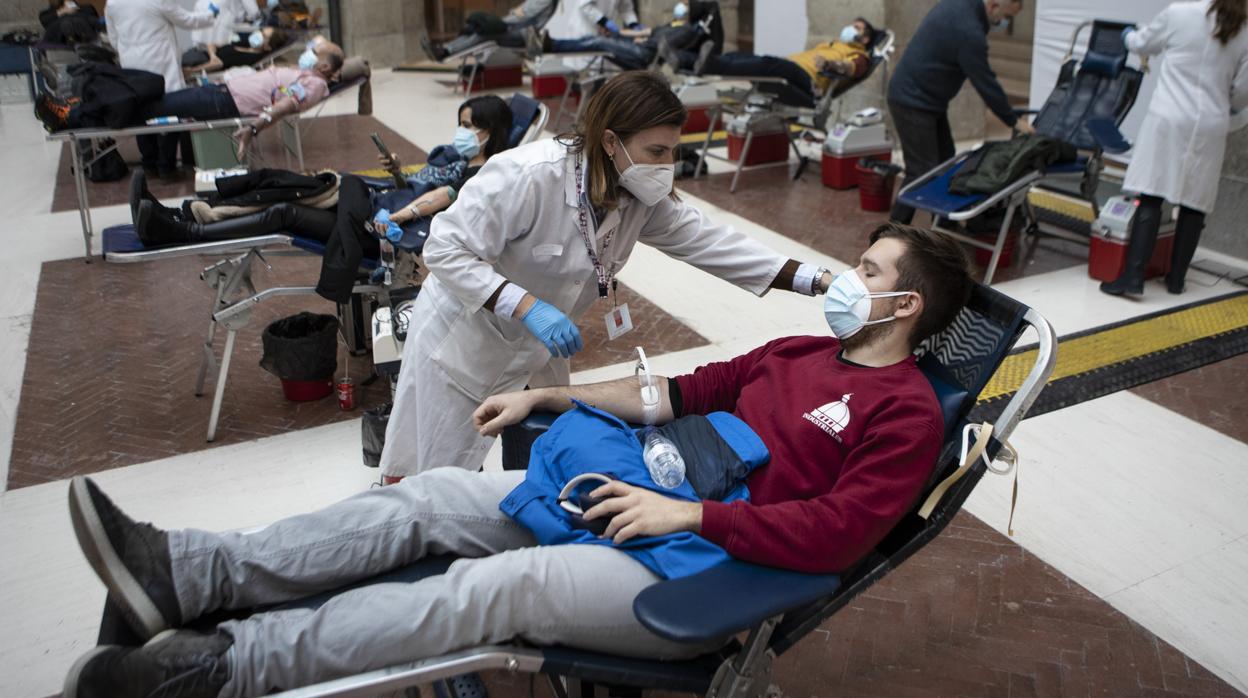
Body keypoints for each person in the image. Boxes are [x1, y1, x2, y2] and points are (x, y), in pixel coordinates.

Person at [62, 223, 973, 698]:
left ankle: (220, 670)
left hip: (704, 570)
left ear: (904, 310)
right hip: (643, 494)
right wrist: (555, 397)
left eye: (872, 270)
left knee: (492, 592)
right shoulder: (798, 356)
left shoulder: (905, 415)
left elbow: (837, 535)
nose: (849, 278)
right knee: (430, 499)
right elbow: (678, 396)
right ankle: (189, 572)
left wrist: (693, 516)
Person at [378, 71, 842, 484]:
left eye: (673, 152)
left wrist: (818, 280)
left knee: (540, 453)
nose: (665, 166)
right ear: (609, 141)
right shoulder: (527, 176)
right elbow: (443, 248)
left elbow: (714, 244)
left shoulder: (636, 196)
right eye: (656, 151)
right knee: (434, 469)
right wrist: (526, 307)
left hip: (538, 348)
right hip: (467, 335)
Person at [129, 95, 513, 296]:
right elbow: (416, 191)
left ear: (488, 131)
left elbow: (435, 201)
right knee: (284, 196)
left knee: (288, 205)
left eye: (467, 126)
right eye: (459, 123)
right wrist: (397, 171)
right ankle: (183, 216)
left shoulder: (480, 173)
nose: (460, 131)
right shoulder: (458, 160)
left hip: (379, 228)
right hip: (376, 210)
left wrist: (393, 219)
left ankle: (181, 228)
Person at [1100, 0, 1248, 297]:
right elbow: (1242, 94)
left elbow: (1142, 43)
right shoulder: (1244, 31)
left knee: (1151, 194)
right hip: (1210, 124)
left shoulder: (1180, 13)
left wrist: (1128, 35)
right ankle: (1177, 280)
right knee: (1194, 202)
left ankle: (1133, 277)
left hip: (1168, 118)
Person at [887, 0, 1035, 224]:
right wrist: (1012, 120)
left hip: (926, 101)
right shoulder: (969, 31)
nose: (1003, 23)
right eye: (1006, 16)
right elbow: (985, 81)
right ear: (994, 5)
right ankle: (892, 232)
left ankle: (944, 224)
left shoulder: (960, 5)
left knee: (947, 162)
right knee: (922, 171)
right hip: (913, 101)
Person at [104, 0, 221, 179]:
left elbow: (114, 40)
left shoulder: (112, 3)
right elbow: (187, 20)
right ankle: (166, 167)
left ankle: (149, 164)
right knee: (171, 114)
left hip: (132, 68)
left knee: (142, 113)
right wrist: (211, 14)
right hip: (162, 67)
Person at [679, 17, 875, 108]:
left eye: (856, 27)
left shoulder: (859, 54)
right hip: (792, 69)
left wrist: (831, 65)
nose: (850, 28)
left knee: (767, 64)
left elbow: (853, 69)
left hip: (808, 82)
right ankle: (691, 61)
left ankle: (711, 65)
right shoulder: (831, 43)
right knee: (740, 55)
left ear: (865, 38)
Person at [529, 1, 720, 71]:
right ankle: (550, 44)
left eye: (686, 4)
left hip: (643, 54)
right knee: (595, 41)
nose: (681, 6)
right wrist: (608, 24)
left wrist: (633, 25)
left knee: (598, 42)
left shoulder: (686, 30)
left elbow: (626, 8)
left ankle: (550, 45)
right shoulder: (674, 25)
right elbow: (584, 5)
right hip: (589, 24)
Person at [423, 0, 557, 61]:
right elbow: (518, 13)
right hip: (513, 29)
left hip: (524, 35)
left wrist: (500, 23)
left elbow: (524, 15)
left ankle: (446, 51)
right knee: (473, 29)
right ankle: (445, 49)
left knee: (485, 34)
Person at [182, 27, 290, 74]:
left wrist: (192, 71)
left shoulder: (250, 58)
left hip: (198, 63)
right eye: (261, 31)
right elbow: (212, 43)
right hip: (199, 54)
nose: (259, 34)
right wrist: (213, 56)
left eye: (264, 36)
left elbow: (217, 64)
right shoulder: (245, 43)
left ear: (268, 47)